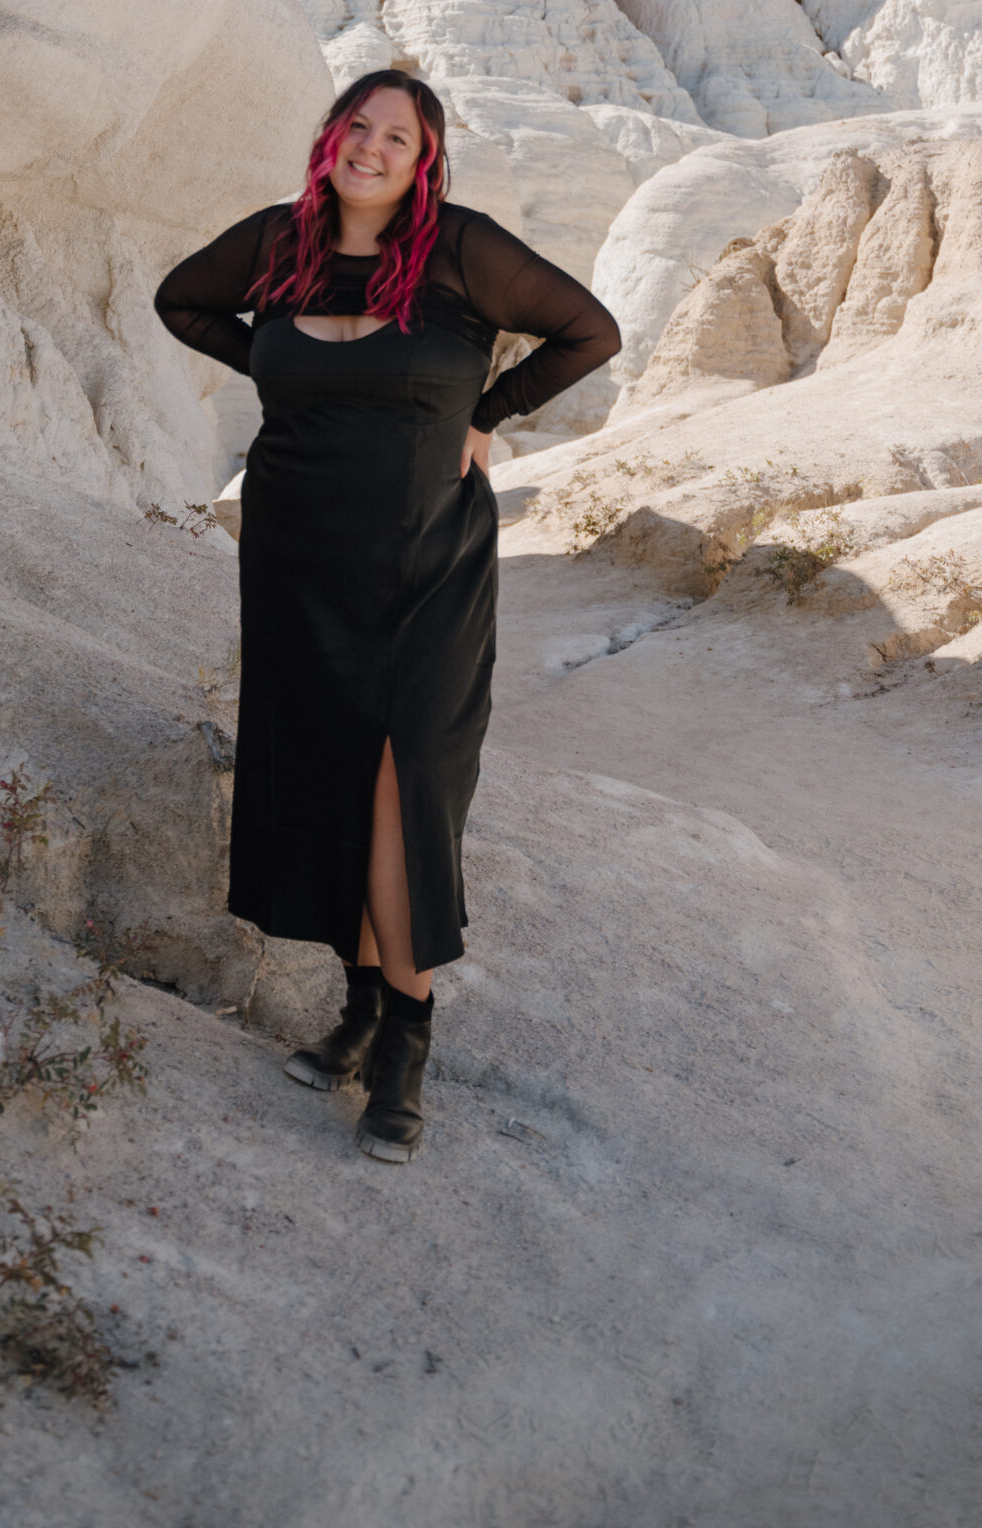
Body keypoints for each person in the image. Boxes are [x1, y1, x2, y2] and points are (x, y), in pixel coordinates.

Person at [153, 70, 621, 1162]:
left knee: (400, 784)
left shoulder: (460, 247)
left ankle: (403, 1044)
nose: (369, 148)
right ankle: (358, 1014)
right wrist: (279, 369)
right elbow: (182, 300)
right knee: (327, 781)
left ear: (424, 159)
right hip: (297, 559)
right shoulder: (277, 243)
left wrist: (487, 412)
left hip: (424, 569)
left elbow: (586, 331)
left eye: (395, 137)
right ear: (329, 137)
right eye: (355, 127)